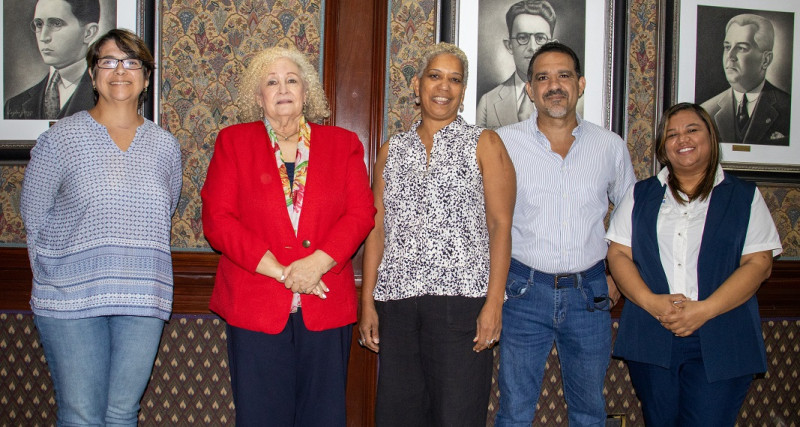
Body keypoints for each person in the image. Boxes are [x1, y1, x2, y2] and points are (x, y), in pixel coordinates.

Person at [201, 46, 375, 426]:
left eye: (292, 80)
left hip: (326, 304)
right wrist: (284, 274)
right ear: (257, 95)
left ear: (306, 91)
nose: (283, 88)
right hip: (255, 305)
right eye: (272, 81)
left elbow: (361, 214)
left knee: (323, 417)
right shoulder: (233, 142)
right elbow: (218, 220)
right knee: (262, 416)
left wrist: (317, 263)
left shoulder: (343, 145)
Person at [20, 29, 181, 425]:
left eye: (131, 62)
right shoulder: (61, 139)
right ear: (93, 76)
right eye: (107, 61)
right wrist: (53, 278)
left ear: (146, 77)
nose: (119, 71)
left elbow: (167, 210)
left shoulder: (166, 146)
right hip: (71, 300)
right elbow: (33, 215)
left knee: (122, 412)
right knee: (82, 416)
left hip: (143, 298)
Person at [358, 42, 516, 426]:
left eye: (454, 79)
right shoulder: (391, 150)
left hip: (462, 305)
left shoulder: (485, 143)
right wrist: (367, 303)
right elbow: (376, 230)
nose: (443, 87)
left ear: (462, 92)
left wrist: (494, 303)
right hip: (397, 305)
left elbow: (501, 226)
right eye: (434, 76)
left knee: (457, 416)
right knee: (400, 416)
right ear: (417, 85)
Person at [606, 103, 782, 426]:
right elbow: (617, 255)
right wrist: (653, 303)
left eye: (692, 130)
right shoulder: (640, 195)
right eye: (671, 134)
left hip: (722, 337)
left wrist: (705, 309)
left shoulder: (744, 196)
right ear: (663, 147)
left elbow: (760, 264)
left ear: (711, 138)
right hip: (652, 335)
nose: (681, 139)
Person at [494, 41, 636, 426]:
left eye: (564, 76)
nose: (553, 85)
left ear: (581, 83)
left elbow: (630, 216)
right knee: (514, 411)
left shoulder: (610, 147)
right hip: (521, 291)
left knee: (590, 410)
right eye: (543, 77)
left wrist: (617, 275)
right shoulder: (503, 143)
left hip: (589, 294)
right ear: (530, 88)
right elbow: (484, 217)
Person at [700, 14, 790, 146]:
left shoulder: (790, 109)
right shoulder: (706, 111)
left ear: (766, 60)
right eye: (727, 47)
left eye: (741, 48)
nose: (730, 56)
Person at [5, 0, 100, 120]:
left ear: (88, 33)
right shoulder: (14, 106)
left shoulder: (110, 96)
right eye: (39, 24)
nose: (43, 37)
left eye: (56, 23)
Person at [476, 0, 555, 129]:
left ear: (553, 46)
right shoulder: (487, 102)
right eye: (523, 38)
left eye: (540, 38)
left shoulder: (575, 101)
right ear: (509, 45)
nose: (532, 47)